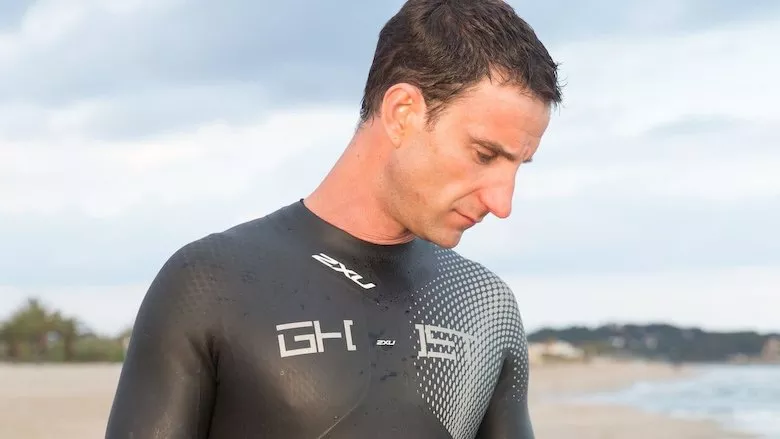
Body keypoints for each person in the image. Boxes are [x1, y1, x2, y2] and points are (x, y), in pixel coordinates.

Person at [105, 0, 562, 437]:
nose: (502, 202)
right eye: (484, 155)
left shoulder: (486, 307)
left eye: (518, 166)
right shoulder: (209, 283)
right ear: (402, 113)